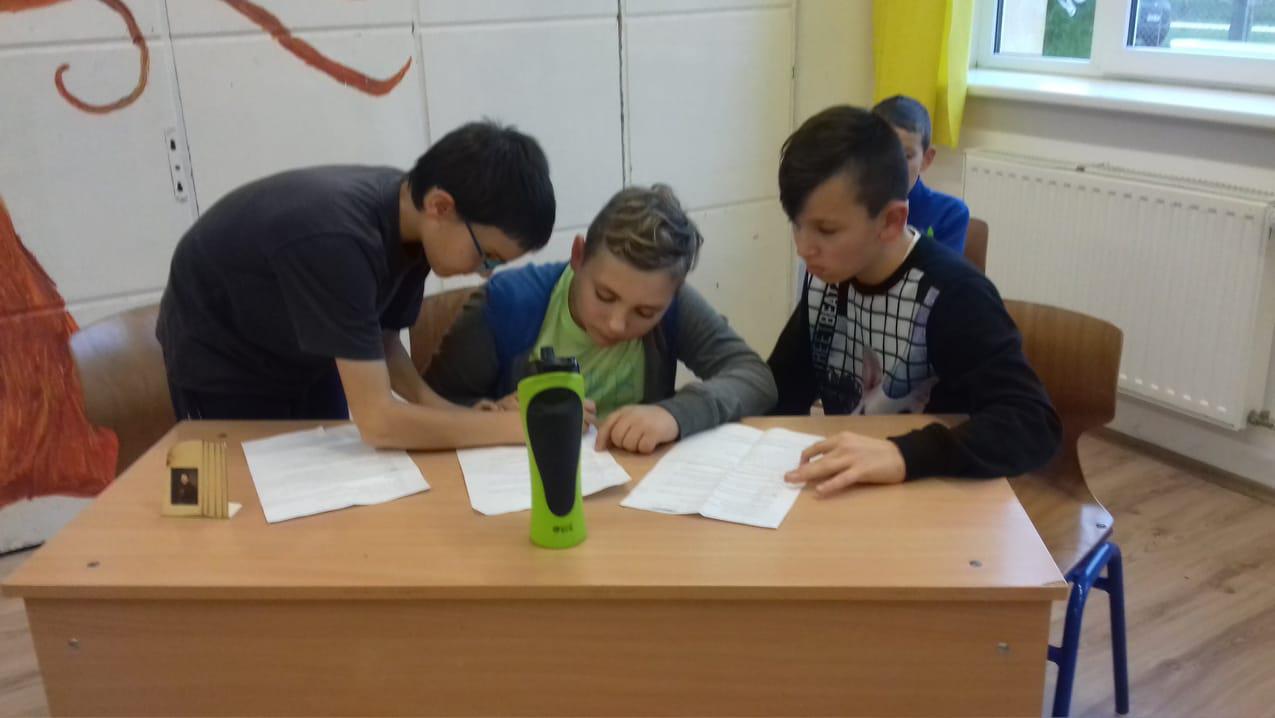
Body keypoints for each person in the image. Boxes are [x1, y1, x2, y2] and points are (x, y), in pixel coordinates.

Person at [157, 120, 555, 450]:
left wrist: (455, 414)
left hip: (305, 354)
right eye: (487, 257)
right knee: (248, 498)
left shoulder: (415, 224)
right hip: (224, 361)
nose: (483, 273)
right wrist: (507, 429)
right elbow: (379, 423)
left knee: (327, 483)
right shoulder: (341, 240)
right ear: (441, 206)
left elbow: (383, 342)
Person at [767, 105, 1060, 494]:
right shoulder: (829, 275)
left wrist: (904, 454)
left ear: (891, 221)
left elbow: (1033, 424)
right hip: (853, 487)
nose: (804, 248)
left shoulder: (953, 293)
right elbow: (781, 390)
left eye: (827, 230)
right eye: (797, 224)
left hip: (931, 489)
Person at [426, 184, 776, 455]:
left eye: (645, 313)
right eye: (605, 296)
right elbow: (429, 408)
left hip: (632, 494)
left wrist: (675, 414)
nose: (616, 325)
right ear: (578, 256)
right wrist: (491, 415)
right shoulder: (506, 304)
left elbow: (754, 377)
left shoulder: (675, 305)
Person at [872, 95, 970, 254]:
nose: (892, 165)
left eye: (906, 156)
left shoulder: (949, 213)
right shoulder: (853, 206)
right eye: (881, 152)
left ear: (926, 159)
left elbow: (941, 270)